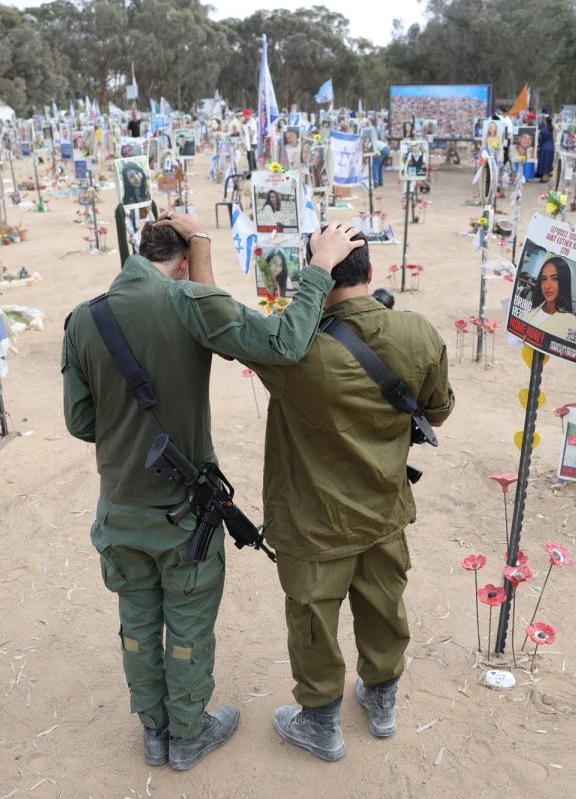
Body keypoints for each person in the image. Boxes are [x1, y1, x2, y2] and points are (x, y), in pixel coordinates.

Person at [63, 215, 361, 772]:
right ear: (181, 266)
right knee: (188, 622)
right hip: (184, 515)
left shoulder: (85, 318)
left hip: (121, 507)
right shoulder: (187, 304)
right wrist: (319, 267)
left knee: (138, 622)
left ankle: (155, 734)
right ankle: (189, 732)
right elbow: (286, 341)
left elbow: (81, 422)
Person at [244, 226, 455, 762]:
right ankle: (382, 703)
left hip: (314, 520)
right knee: (385, 607)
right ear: (368, 271)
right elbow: (437, 411)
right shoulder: (417, 333)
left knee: (314, 619)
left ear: (313, 271)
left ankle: (321, 723)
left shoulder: (292, 351)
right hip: (383, 508)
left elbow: (225, 329)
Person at [523, 257, 576, 339]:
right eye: (544, 279)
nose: (547, 286)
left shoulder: (574, 324)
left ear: (564, 282)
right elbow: (514, 343)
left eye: (554, 278)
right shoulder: (533, 309)